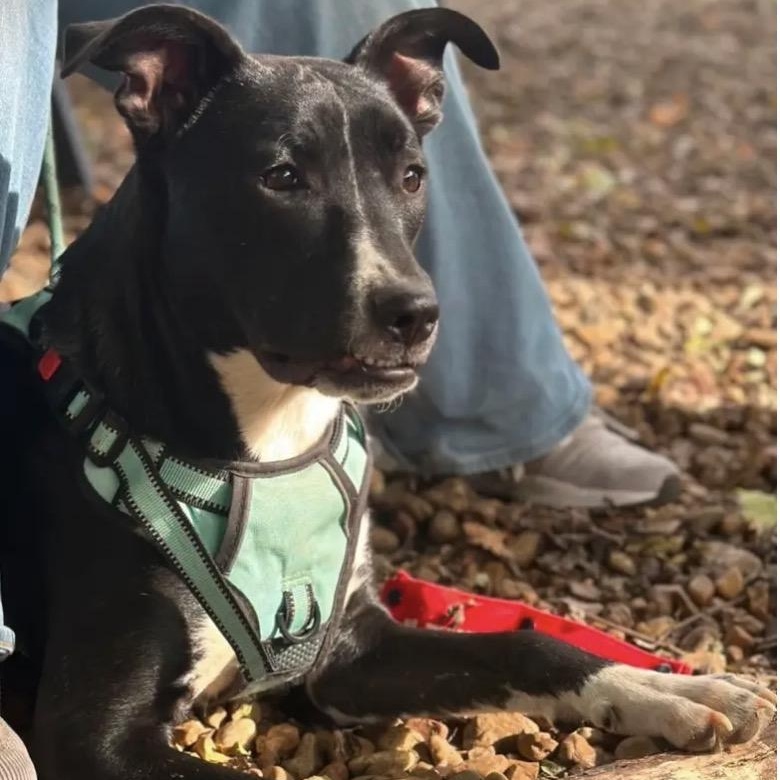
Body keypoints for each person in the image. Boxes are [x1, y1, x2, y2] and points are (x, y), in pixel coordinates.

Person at [0, 0, 680, 775]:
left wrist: (572, 675)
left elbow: (344, 658)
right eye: (286, 177)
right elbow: (94, 743)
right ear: (160, 94)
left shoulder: (322, 447)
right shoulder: (96, 447)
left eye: (407, 176)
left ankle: (516, 421)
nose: (401, 282)